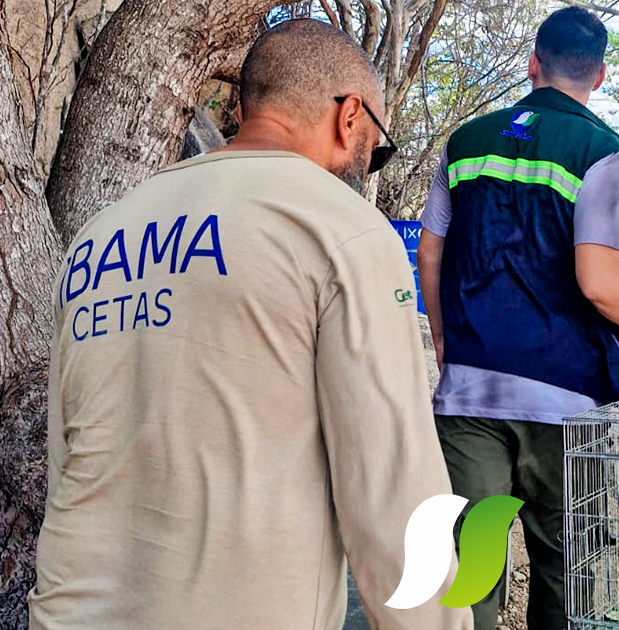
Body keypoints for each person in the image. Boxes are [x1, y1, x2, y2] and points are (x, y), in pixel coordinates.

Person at [29, 19, 471, 630]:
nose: (368, 167)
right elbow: (394, 496)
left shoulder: (101, 235)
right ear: (350, 117)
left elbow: (66, 452)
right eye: (376, 146)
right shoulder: (340, 229)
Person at [417, 7, 619, 630]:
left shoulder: (465, 142)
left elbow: (431, 250)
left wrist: (450, 343)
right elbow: (602, 282)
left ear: (533, 63)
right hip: (565, 407)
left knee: (472, 566)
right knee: (567, 567)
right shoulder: (603, 151)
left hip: (470, 395)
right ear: (601, 75)